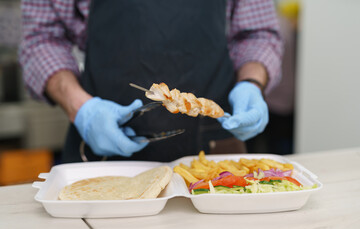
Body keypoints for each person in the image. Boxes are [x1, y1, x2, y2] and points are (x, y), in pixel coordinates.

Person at [19, 0, 283, 163]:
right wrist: (81, 108)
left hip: (214, 150)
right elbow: (41, 39)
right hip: (104, 153)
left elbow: (257, 34)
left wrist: (252, 83)